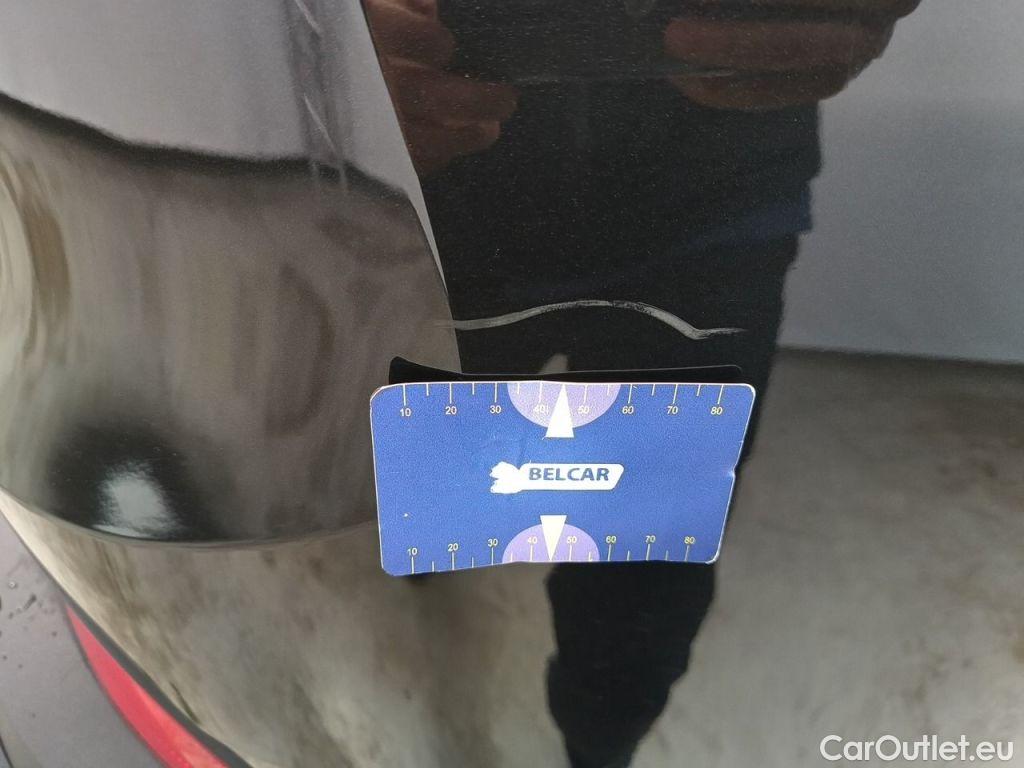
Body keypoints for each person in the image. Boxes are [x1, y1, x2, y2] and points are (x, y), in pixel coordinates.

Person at [363, 1, 920, 765]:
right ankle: (590, 724)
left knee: (639, 576)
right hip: (484, 189)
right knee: (466, 482)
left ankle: (599, 738)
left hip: (690, 196)